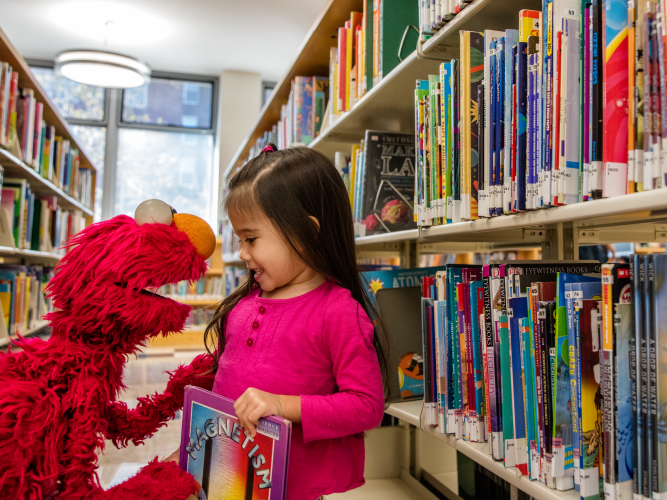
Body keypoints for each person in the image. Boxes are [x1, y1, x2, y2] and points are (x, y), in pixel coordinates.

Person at [165, 144, 388, 500]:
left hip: (293, 485)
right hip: (228, 475)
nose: (241, 253)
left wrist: (283, 405)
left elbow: (366, 406)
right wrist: (191, 449)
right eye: (239, 239)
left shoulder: (337, 312)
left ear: (306, 233)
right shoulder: (244, 304)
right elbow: (223, 391)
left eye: (251, 238)